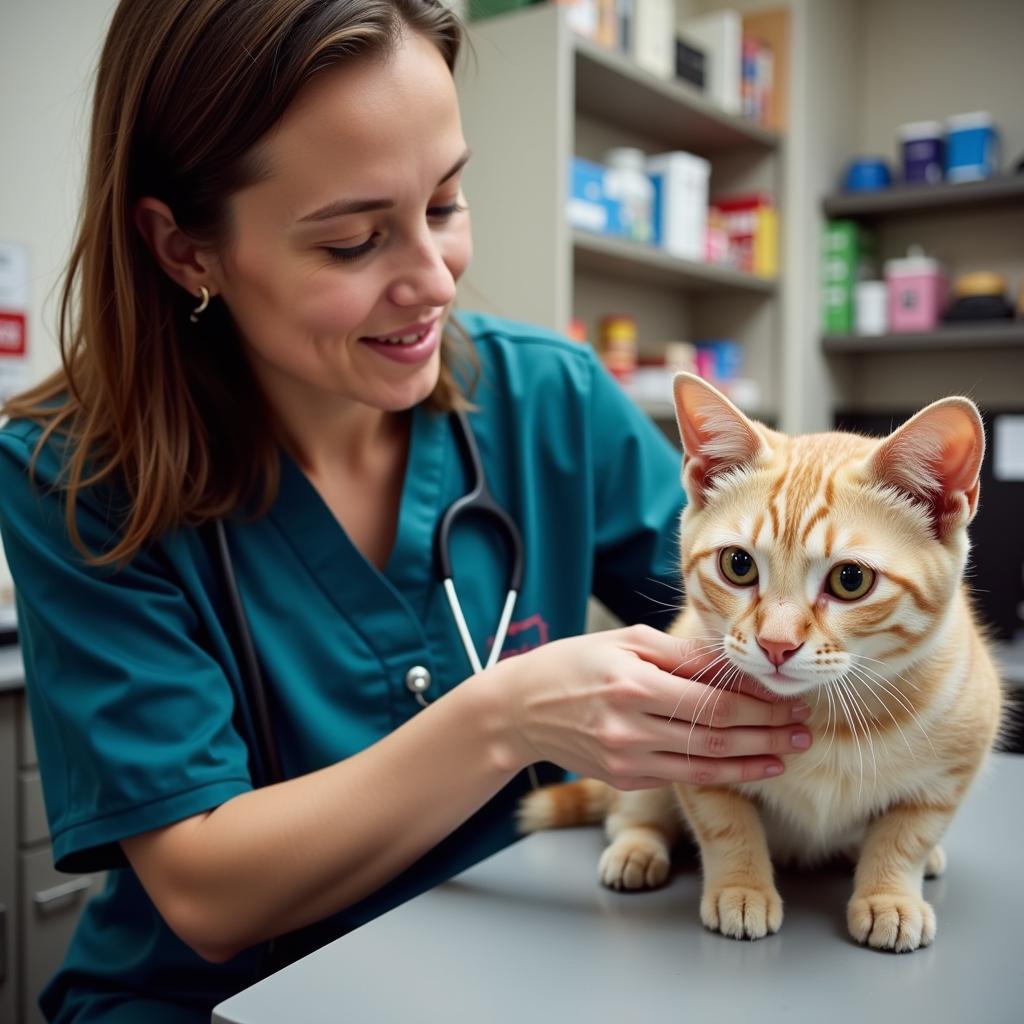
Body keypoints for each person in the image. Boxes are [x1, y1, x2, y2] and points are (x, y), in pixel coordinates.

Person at [0, 1, 813, 1020]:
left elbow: (762, 646)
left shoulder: (551, 400)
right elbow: (207, 891)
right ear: (183, 250)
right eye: (351, 241)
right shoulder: (69, 475)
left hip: (503, 963)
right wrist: (505, 717)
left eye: (445, 202)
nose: (434, 283)